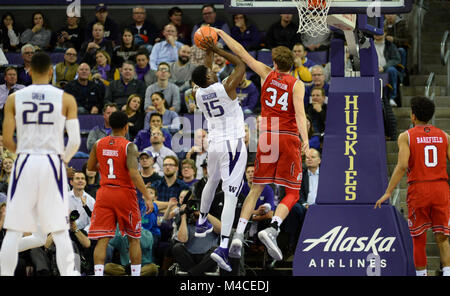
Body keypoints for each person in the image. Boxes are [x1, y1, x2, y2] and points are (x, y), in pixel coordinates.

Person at [215, 28, 311, 262]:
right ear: (293, 65)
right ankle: (273, 228)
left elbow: (241, 52)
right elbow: (300, 114)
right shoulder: (297, 84)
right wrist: (305, 140)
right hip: (288, 136)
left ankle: (238, 234)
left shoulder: (266, 74)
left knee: (256, 187)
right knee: (293, 193)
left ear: (275, 63)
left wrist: (221, 33)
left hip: (267, 137)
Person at [0, 51, 81, 276]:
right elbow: (74, 141)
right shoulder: (66, 98)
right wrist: (60, 160)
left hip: (25, 161)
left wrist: (25, 154)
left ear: (30, 71)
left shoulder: (15, 98)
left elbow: (7, 140)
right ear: (49, 71)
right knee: (60, 230)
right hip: (51, 162)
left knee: (14, 231)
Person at [375, 96, 450, 277]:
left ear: (413, 115)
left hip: (419, 189)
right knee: (443, 238)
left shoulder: (406, 136)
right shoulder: (445, 136)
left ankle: (422, 274)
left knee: (418, 238)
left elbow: (401, 166)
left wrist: (388, 192)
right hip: (440, 188)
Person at [190, 36, 247, 272]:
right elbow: (241, 65)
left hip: (213, 144)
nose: (214, 71)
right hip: (231, 145)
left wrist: (208, 52)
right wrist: (217, 49)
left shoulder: (197, 93)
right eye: (211, 72)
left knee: (211, 183)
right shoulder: (226, 87)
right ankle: (223, 246)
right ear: (210, 77)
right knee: (231, 196)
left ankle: (202, 220)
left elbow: (206, 71)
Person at [87, 111, 153, 276]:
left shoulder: (98, 143)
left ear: (109, 125)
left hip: (104, 193)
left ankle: (98, 273)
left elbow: (89, 167)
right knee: (134, 238)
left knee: (102, 239)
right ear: (126, 127)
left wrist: (106, 167)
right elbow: (134, 173)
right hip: (124, 193)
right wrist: (147, 196)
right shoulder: (129, 146)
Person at [241, 163, 275, 244]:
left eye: (253, 171)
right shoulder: (241, 189)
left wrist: (252, 215)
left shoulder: (267, 189)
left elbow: (270, 214)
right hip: (244, 221)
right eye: (248, 172)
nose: (250, 174)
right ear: (245, 175)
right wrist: (257, 212)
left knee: (269, 221)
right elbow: (238, 212)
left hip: (260, 221)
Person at [373, 32, 402, 107]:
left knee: (392, 70)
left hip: (386, 69)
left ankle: (392, 98)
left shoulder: (390, 45)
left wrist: (384, 67)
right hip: (373, 69)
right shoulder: (369, 45)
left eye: (380, 31)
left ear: (385, 33)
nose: (377, 33)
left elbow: (396, 59)